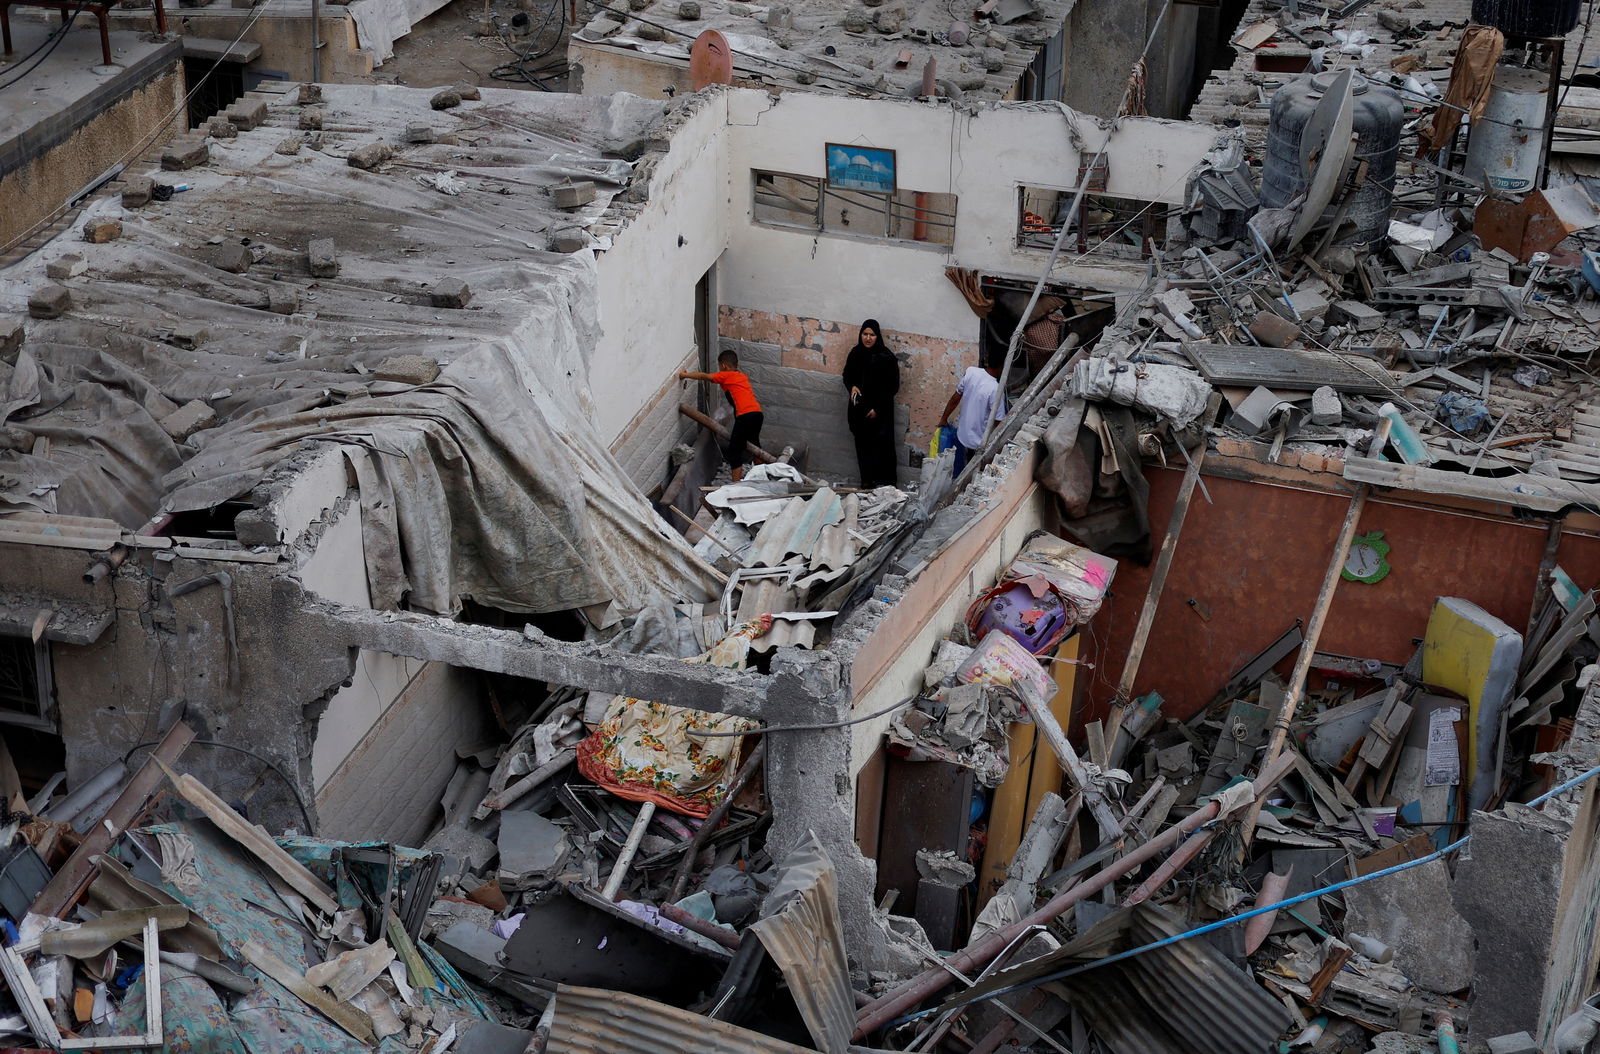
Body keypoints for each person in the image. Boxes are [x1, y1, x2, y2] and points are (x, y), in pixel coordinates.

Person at [680, 351, 764, 481]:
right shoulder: (741, 376)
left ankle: (736, 484)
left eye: (719, 366)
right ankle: (762, 475)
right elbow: (737, 398)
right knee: (755, 445)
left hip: (745, 416)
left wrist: (685, 375)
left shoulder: (726, 375)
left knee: (734, 451)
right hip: (757, 415)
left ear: (724, 365)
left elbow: (704, 376)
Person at [841, 319, 900, 489]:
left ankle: (886, 485)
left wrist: (877, 409)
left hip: (880, 414)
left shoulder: (887, 358)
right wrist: (851, 386)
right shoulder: (855, 353)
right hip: (859, 411)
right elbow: (847, 375)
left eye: (872, 335)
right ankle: (866, 483)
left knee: (882, 449)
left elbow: (893, 386)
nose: (868, 338)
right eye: (865, 334)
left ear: (877, 336)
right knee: (863, 448)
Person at [938, 356, 1006, 475]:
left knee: (957, 471)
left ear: (987, 360)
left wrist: (943, 419)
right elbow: (999, 422)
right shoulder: (996, 389)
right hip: (978, 444)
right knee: (971, 475)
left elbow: (955, 398)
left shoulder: (971, 372)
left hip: (962, 435)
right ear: (1002, 367)